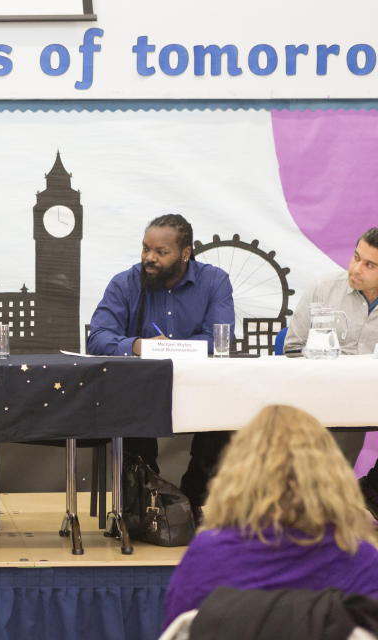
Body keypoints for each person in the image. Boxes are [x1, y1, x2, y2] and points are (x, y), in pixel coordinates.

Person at [162, 405, 378, 629]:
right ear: (331, 472)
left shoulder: (206, 556)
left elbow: (178, 630)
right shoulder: (360, 559)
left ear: (237, 472)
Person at [86, 214, 234, 522]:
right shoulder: (125, 283)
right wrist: (139, 345)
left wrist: (175, 348)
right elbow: (97, 338)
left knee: (228, 418)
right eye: (145, 249)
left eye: (160, 252)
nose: (149, 258)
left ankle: (193, 500)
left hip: (199, 388)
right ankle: (145, 500)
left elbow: (221, 339)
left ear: (185, 253)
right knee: (128, 411)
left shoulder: (214, 281)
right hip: (140, 391)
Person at [284, 227, 378, 517]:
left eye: (369, 265)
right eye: (355, 257)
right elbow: (291, 348)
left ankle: (369, 494)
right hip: (324, 395)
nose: (356, 269)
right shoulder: (324, 288)